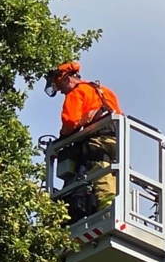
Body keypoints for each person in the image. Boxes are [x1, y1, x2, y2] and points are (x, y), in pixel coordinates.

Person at [44, 62, 122, 214]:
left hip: (98, 139)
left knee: (101, 173)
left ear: (68, 79)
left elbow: (70, 121)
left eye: (61, 87)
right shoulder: (104, 91)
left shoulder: (76, 92)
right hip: (116, 139)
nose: (61, 92)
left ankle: (108, 211)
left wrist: (61, 139)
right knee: (116, 175)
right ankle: (120, 207)